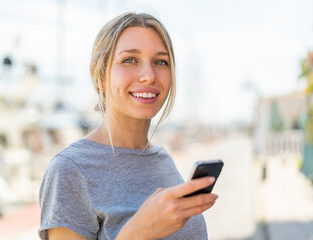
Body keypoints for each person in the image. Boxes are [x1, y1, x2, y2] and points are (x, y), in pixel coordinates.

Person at [38, 12, 218, 240]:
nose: (148, 75)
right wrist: (137, 233)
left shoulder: (162, 158)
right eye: (129, 60)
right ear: (100, 73)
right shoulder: (70, 170)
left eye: (160, 62)